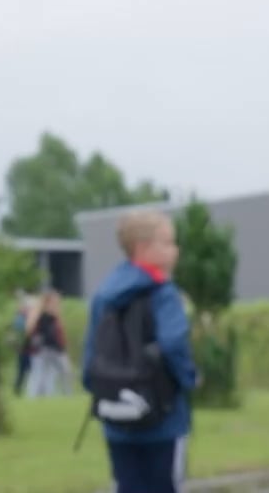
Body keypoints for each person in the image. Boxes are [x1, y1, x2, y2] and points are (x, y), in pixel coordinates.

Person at [84, 210, 197, 493]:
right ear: (143, 248)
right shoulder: (163, 292)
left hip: (116, 412)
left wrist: (97, 386)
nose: (175, 250)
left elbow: (91, 350)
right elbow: (172, 343)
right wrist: (189, 378)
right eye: (169, 242)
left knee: (127, 484)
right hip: (162, 415)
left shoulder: (104, 294)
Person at [25, 289, 71, 397]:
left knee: (53, 373)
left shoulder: (54, 316)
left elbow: (59, 334)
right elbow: (31, 330)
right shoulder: (41, 315)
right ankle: (34, 396)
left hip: (55, 348)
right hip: (43, 349)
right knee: (40, 374)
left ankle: (54, 395)